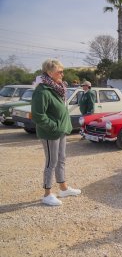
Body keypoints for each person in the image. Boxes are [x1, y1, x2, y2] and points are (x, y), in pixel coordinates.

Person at [31, 59, 81, 206]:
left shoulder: (57, 87)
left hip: (61, 130)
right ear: (49, 72)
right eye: (60, 71)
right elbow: (38, 116)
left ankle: (63, 188)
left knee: (61, 159)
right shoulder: (42, 90)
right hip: (50, 133)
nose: (62, 74)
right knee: (51, 162)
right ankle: (47, 194)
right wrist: (53, 126)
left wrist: (63, 126)